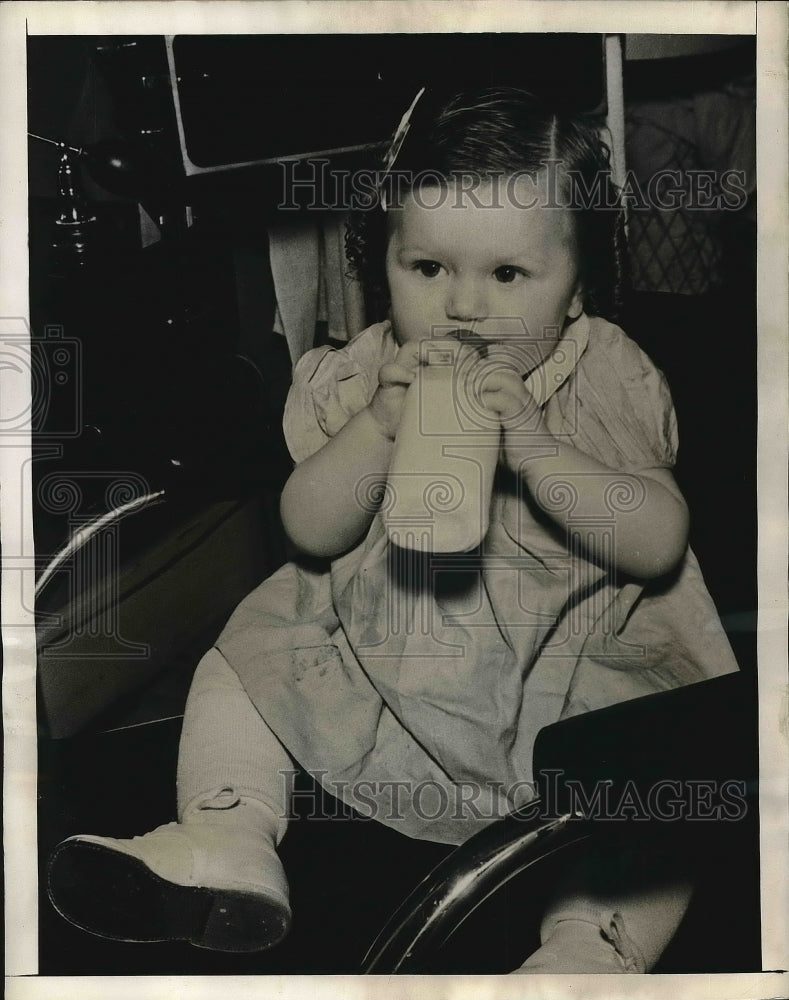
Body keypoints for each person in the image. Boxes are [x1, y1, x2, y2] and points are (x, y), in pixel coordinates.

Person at [47, 87, 738, 973]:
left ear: (577, 289)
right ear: (387, 264)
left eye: (507, 275)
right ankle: (225, 834)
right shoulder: (369, 368)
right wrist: (375, 426)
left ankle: (589, 948)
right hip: (384, 639)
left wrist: (534, 445)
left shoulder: (601, 369)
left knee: (652, 774)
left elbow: (655, 540)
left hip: (568, 652)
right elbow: (311, 528)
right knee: (249, 653)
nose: (461, 308)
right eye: (428, 268)